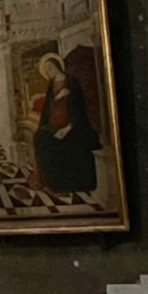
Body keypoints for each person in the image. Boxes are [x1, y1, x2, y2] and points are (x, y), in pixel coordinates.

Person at [32, 50, 101, 195]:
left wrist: (68, 127)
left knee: (52, 142)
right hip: (54, 123)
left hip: (72, 125)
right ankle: (52, 183)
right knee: (40, 137)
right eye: (47, 70)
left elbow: (79, 109)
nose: (49, 72)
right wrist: (55, 99)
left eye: (51, 68)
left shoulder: (72, 82)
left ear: (58, 66)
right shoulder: (51, 84)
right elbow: (49, 106)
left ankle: (62, 185)